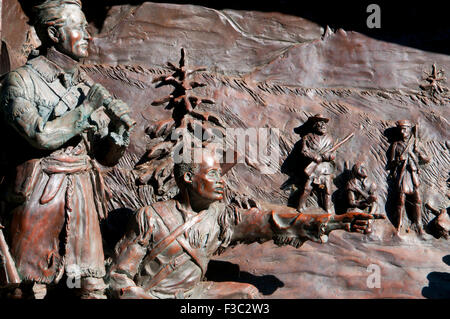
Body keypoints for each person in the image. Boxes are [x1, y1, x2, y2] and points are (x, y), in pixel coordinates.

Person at [108, 148, 380, 299]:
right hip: (153, 298)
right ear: (189, 178)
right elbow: (118, 277)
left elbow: (273, 221)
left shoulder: (221, 217)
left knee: (247, 297)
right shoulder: (150, 217)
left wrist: (335, 221)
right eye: (213, 173)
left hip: (193, 296)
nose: (221, 180)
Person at [0, 0, 133, 298]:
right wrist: (86, 109)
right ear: (54, 33)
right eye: (79, 28)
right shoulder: (20, 82)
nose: (88, 35)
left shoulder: (84, 86)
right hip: (39, 194)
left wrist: (118, 133)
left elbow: (102, 156)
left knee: (90, 287)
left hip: (83, 194)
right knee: (29, 288)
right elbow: (40, 136)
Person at [387, 120, 431, 236]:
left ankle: (418, 224)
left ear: (409, 129)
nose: (402, 132)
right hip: (402, 175)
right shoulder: (395, 145)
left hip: (413, 174)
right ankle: (399, 224)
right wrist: (397, 161)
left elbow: (427, 159)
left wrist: (419, 153)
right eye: (400, 129)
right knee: (400, 200)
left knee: (417, 200)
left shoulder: (416, 143)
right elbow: (390, 164)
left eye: (404, 129)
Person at [295, 114, 335, 213]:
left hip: (325, 168)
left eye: (324, 124)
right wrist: (314, 156)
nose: (322, 126)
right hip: (314, 168)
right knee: (307, 189)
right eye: (320, 124)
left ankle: (328, 209)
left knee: (328, 190)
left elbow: (333, 154)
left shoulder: (330, 139)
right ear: (315, 125)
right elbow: (304, 151)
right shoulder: (307, 137)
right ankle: (300, 207)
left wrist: (329, 157)